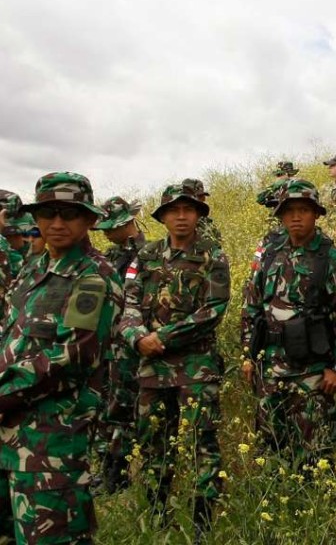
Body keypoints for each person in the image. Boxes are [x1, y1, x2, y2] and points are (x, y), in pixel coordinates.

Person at [0, 173, 122, 543]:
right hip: (8, 439)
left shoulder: (93, 277)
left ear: (89, 220)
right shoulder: (32, 269)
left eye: (68, 214)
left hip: (51, 445)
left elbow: (72, 358)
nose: (56, 224)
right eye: (48, 213)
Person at [120, 181, 230, 537]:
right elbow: (129, 305)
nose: (181, 217)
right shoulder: (145, 256)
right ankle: (157, 518)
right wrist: (137, 338)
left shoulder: (214, 255)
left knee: (203, 443)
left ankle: (202, 524)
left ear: (198, 214)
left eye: (188, 210)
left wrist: (161, 338)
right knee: (154, 443)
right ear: (163, 216)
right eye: (174, 211)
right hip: (152, 367)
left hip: (197, 366)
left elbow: (213, 310)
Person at [241, 179, 336, 464]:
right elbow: (252, 305)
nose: (296, 217)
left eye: (304, 210)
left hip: (312, 373)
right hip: (269, 368)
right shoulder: (269, 253)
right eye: (289, 210)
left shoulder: (332, 259)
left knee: (314, 454)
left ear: (316, 213)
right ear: (280, 215)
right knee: (270, 449)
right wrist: (248, 355)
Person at [93, 195, 147, 492]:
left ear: (126, 223)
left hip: (128, 345)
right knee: (108, 407)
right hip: (107, 343)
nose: (105, 233)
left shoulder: (145, 254)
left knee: (124, 408)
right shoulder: (113, 254)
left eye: (109, 228)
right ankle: (108, 468)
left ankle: (118, 474)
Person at [183, 178, 223, 245]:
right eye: (199, 196)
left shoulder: (208, 223)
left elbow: (219, 245)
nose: (204, 199)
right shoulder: (179, 223)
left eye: (203, 196)